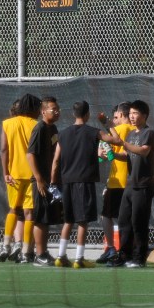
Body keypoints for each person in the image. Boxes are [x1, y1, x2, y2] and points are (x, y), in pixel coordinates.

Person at [51, 100, 121, 269]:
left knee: (68, 220)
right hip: (84, 181)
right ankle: (79, 258)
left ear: (73, 114)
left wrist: (53, 183)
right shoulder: (94, 132)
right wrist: (107, 123)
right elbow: (117, 140)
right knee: (82, 221)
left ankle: (60, 256)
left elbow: (55, 161)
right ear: (88, 114)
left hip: (66, 181)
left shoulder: (63, 134)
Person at [110, 100, 154, 268]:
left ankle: (138, 257)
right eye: (130, 113)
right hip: (130, 184)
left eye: (135, 113)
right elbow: (125, 154)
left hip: (143, 184)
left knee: (139, 221)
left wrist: (123, 144)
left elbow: (144, 151)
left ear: (144, 115)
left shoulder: (148, 133)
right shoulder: (131, 134)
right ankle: (124, 254)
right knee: (124, 220)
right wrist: (110, 155)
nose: (132, 116)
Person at [0, 94, 40, 263]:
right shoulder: (37, 125)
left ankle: (6, 245)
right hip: (32, 175)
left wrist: (5, 172)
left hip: (14, 174)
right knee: (29, 213)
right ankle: (25, 250)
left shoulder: (8, 124)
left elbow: (3, 149)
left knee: (14, 209)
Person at [96, 103, 134, 264]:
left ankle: (112, 248)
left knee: (107, 216)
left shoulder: (120, 130)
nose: (114, 120)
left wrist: (103, 150)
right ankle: (127, 249)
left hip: (118, 181)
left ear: (123, 115)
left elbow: (102, 154)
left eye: (116, 117)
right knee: (127, 218)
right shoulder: (137, 131)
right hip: (130, 180)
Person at [26, 97, 61, 266]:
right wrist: (39, 178)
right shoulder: (39, 128)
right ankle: (40, 254)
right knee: (41, 217)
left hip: (50, 180)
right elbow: (30, 154)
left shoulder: (53, 128)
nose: (57, 111)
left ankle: (38, 252)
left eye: (58, 109)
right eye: (53, 109)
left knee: (46, 218)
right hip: (40, 180)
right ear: (43, 111)